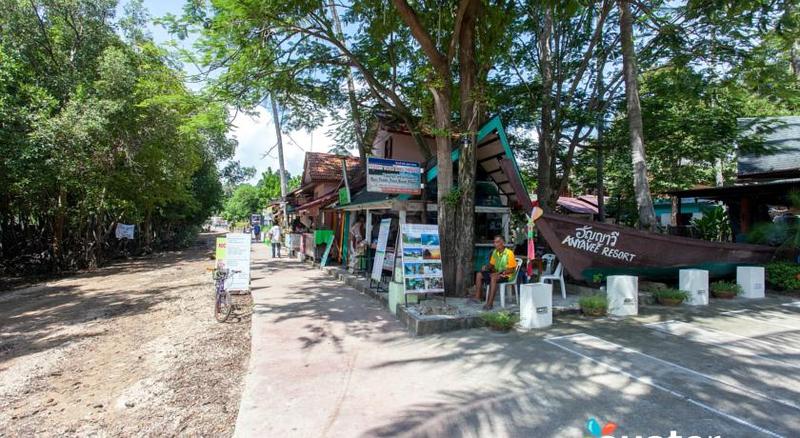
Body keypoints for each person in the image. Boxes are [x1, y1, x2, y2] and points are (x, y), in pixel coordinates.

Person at [471, 235, 517, 310]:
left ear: (503, 243)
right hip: (496, 273)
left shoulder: (509, 253)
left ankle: (489, 304)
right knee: (479, 274)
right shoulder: (495, 252)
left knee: (493, 277)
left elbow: (511, 269)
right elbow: (491, 265)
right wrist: (486, 267)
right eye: (495, 242)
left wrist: (498, 273)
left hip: (507, 275)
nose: (495, 244)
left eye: (498, 242)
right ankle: (477, 297)